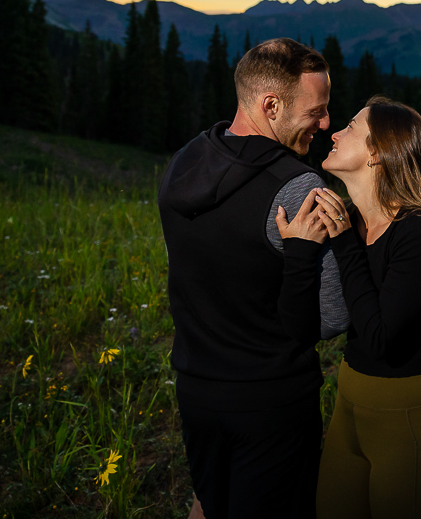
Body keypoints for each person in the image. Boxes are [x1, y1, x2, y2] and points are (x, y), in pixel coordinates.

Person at [158, 38, 348, 519]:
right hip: (271, 401)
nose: (325, 125)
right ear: (271, 105)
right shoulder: (299, 186)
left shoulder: (184, 163)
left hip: (196, 388)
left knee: (209, 502)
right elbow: (329, 316)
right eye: (317, 111)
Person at [281, 96, 421, 519]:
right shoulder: (350, 218)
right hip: (349, 405)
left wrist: (346, 242)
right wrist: (299, 249)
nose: (334, 132)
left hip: (407, 419)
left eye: (350, 127)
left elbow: (383, 338)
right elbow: (303, 327)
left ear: (377, 154)